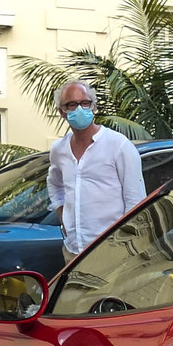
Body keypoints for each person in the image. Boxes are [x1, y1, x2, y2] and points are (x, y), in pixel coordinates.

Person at [46, 81, 145, 263]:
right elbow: (54, 184)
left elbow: (135, 202)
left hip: (112, 253)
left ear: (94, 107)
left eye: (85, 103)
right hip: (73, 251)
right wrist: (63, 218)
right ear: (62, 112)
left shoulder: (119, 145)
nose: (80, 109)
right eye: (72, 104)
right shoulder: (59, 150)